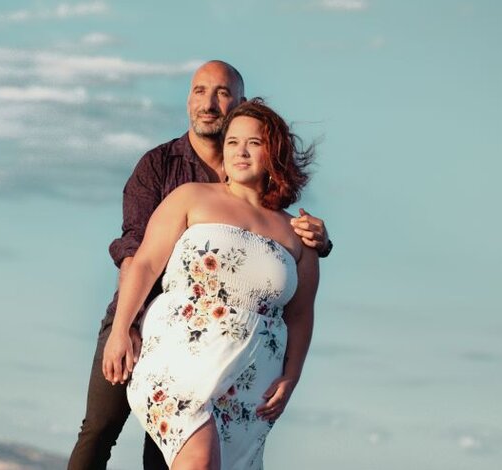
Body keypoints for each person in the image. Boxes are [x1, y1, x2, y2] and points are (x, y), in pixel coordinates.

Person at [66, 60, 331, 469]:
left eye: (223, 93)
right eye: (199, 91)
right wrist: (124, 327)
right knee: (102, 429)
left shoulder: (295, 229)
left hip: (243, 370)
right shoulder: (170, 176)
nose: (209, 103)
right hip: (159, 330)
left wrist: (291, 376)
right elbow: (141, 257)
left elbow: (300, 311)